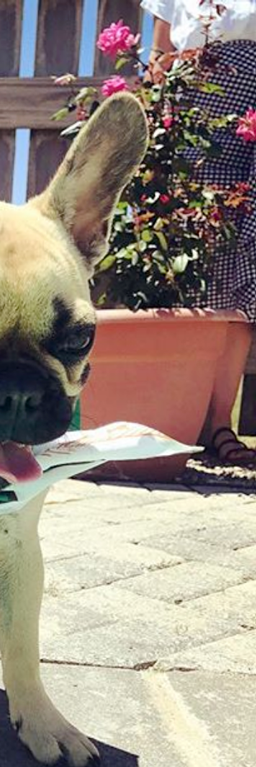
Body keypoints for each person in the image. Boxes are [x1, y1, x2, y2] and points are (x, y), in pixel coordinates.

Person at [142, 0, 255, 467]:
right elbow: (158, 62)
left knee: (243, 281)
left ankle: (219, 425)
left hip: (251, 131)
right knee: (182, 270)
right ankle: (173, 421)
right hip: (191, 135)